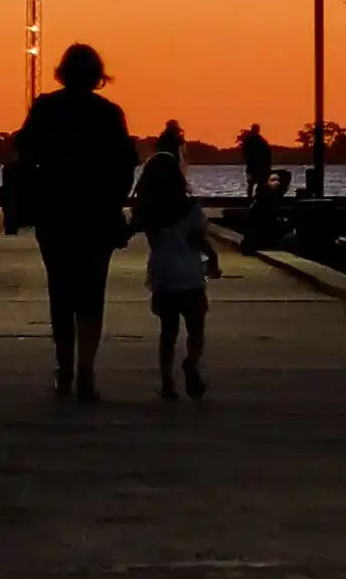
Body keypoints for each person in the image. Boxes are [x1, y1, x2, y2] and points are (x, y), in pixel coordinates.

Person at [16, 43, 139, 401]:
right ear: (97, 75)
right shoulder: (109, 113)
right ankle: (86, 371)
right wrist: (115, 202)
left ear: (62, 72)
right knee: (91, 296)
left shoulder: (46, 109)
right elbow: (125, 165)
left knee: (61, 293)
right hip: (97, 216)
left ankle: (65, 369)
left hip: (55, 214)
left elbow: (24, 151)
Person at [132, 149, 221, 401]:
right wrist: (212, 258)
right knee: (196, 327)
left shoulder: (147, 210)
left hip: (163, 274)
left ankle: (167, 382)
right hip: (190, 274)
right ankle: (191, 362)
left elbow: (131, 229)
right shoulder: (190, 207)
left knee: (168, 332)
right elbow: (198, 238)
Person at [239, 122, 273, 201]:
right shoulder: (260, 141)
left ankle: (253, 198)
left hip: (256, 166)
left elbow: (244, 152)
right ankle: (254, 198)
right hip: (256, 166)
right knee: (255, 183)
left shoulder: (257, 140)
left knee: (254, 183)